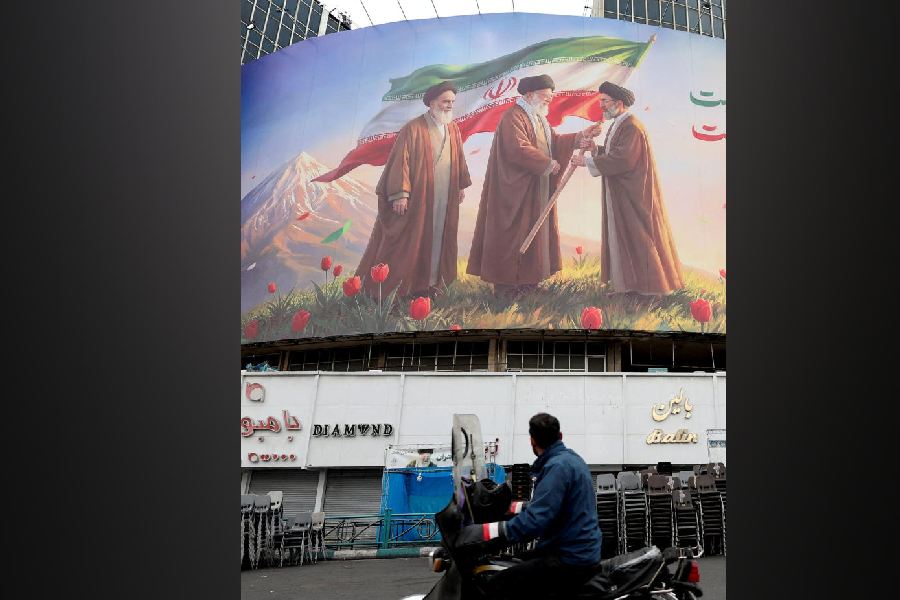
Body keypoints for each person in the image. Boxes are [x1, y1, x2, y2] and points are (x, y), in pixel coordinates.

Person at [466, 75, 602, 299]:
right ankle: (507, 287)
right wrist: (546, 163)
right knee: (512, 235)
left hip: (534, 188)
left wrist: (580, 137)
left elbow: (554, 142)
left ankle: (529, 282)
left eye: (549, 97)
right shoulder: (513, 117)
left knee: (534, 234)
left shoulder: (538, 118)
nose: (549, 100)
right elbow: (517, 149)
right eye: (545, 96)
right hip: (514, 191)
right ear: (529, 95)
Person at [455, 413, 602, 599]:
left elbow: (535, 521)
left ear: (532, 441)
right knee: (511, 561)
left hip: (569, 558)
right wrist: (510, 508)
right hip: (574, 550)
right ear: (560, 436)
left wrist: (484, 533)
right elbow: (547, 505)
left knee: (496, 585)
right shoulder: (572, 460)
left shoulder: (557, 467)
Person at [355, 81, 472, 298]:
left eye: (452, 102)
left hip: (445, 198)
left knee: (439, 240)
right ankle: (405, 289)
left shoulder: (453, 128)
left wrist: (460, 186)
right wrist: (401, 194)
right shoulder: (413, 128)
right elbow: (401, 161)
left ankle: (431, 286)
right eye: (445, 101)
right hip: (420, 199)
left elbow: (459, 160)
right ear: (432, 102)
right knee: (412, 242)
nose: (449, 106)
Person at [570, 81, 684, 297]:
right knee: (625, 237)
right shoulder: (619, 124)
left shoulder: (631, 126)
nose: (601, 105)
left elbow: (623, 159)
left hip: (634, 195)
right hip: (622, 192)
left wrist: (586, 162)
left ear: (618, 103)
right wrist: (596, 149)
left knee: (638, 238)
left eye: (604, 101)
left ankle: (651, 291)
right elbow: (615, 152)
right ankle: (631, 287)